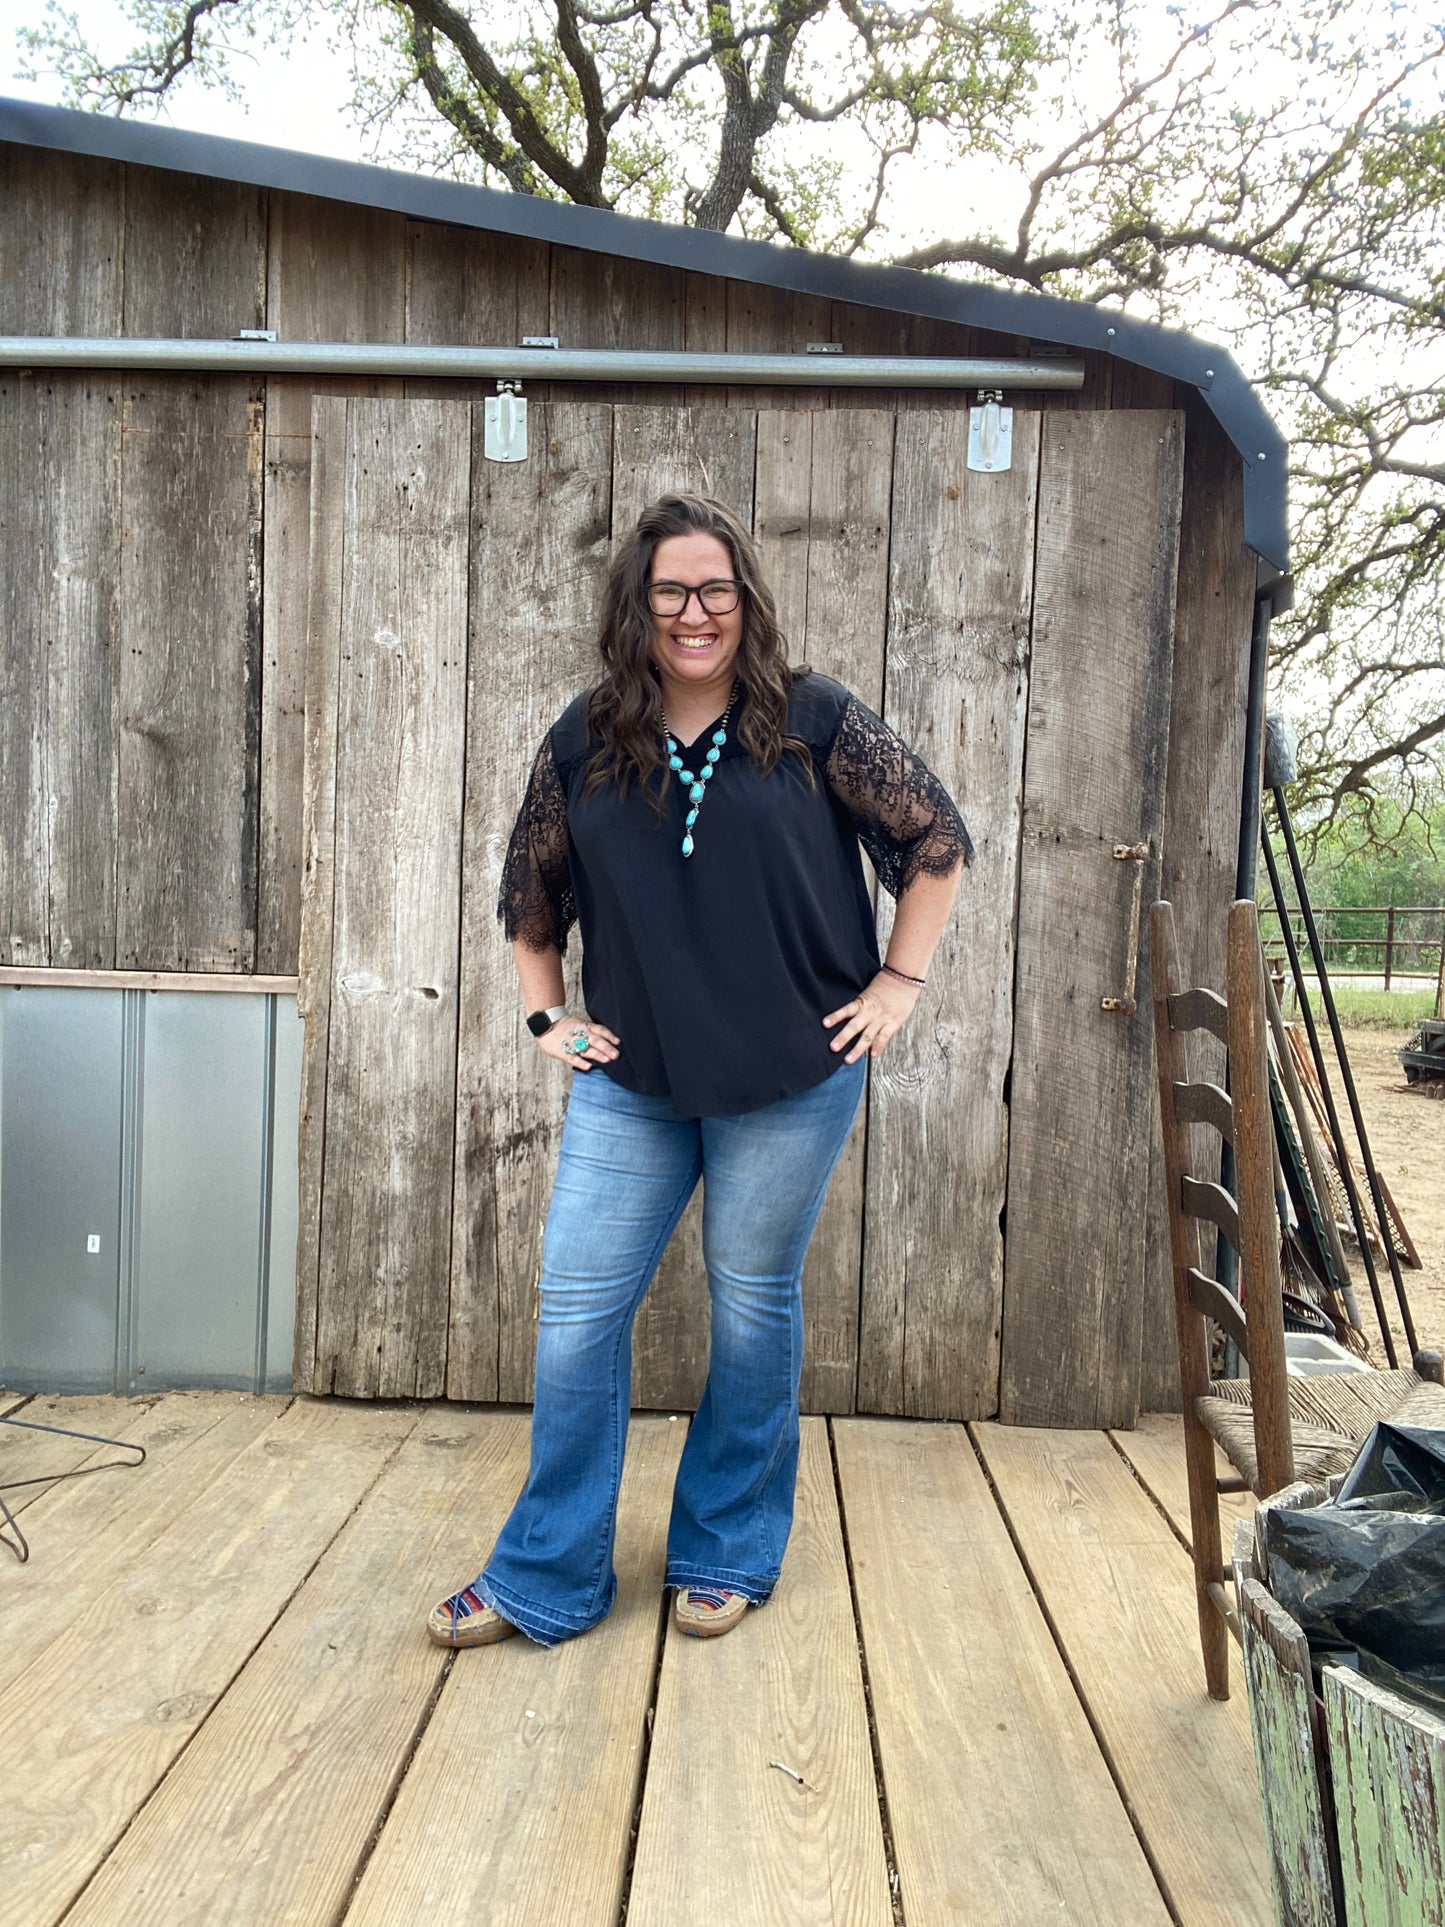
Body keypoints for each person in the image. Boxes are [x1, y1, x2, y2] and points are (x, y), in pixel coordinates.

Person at [427, 492, 971, 1649]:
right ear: (637, 603)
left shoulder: (811, 720)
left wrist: (897, 984)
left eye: (714, 590)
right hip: (636, 1083)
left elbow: (934, 842)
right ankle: (548, 1574)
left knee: (749, 1306)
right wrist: (545, 1020)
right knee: (576, 1309)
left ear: (744, 600)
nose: (693, 612)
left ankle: (724, 1546)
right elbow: (532, 900)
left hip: (790, 1074)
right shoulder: (585, 737)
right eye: (670, 590)